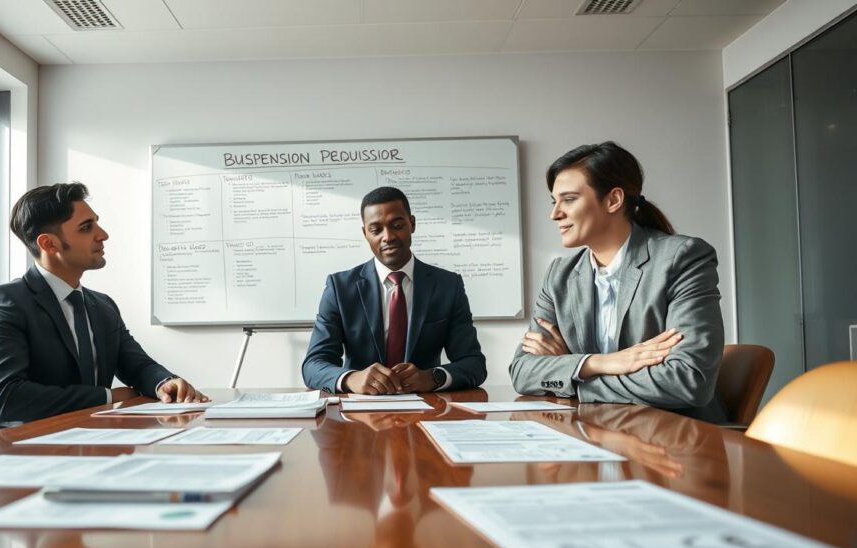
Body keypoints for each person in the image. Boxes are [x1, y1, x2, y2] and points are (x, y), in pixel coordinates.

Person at [508, 142, 726, 422]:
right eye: (554, 202)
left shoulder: (681, 259)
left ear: (613, 200)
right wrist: (599, 362)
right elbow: (523, 371)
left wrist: (572, 373)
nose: (555, 214)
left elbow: (687, 380)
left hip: (673, 439)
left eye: (569, 199)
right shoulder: (560, 275)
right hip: (594, 433)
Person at [0, 182, 207, 427]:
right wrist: (107, 397)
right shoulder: (5, 302)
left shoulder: (103, 305)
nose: (103, 234)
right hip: (30, 447)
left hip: (95, 437)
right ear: (49, 244)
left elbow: (137, 366)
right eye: (87, 227)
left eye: (96, 222)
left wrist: (164, 382)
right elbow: (7, 398)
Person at [302, 186, 487, 394]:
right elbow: (313, 365)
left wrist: (432, 377)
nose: (388, 237)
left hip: (427, 409)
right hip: (359, 414)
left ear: (412, 224)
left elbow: (474, 364)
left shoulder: (447, 286)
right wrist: (351, 379)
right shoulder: (340, 288)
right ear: (365, 233)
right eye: (376, 230)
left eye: (397, 225)